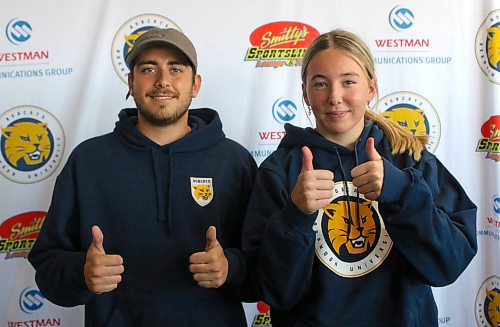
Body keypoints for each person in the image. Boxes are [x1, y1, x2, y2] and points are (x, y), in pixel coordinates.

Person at [242, 29, 477, 326]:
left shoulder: (409, 158)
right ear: (305, 93)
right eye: (320, 84)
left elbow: (449, 264)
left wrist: (402, 191)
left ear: (371, 88)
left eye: (348, 81)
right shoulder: (281, 170)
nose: (335, 97)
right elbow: (275, 292)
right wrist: (295, 216)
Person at [28, 28, 257, 326]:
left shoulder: (234, 161)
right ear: (131, 82)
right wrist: (80, 272)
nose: (163, 81)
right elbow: (47, 268)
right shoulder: (88, 162)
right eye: (149, 69)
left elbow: (268, 268)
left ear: (195, 84)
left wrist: (232, 268)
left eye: (175, 69)